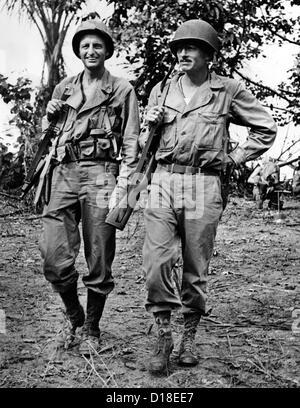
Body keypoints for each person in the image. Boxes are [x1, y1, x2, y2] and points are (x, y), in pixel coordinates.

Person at [141, 19, 277, 375]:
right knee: (156, 259)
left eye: (191, 48)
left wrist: (234, 158)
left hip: (203, 183)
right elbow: (145, 143)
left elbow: (266, 128)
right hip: (164, 179)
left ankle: (189, 333)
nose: (183, 54)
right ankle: (163, 333)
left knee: (194, 264)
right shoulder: (161, 89)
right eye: (179, 48)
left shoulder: (228, 90)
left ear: (208, 54)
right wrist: (150, 125)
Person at [39, 15, 140, 355]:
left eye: (98, 45)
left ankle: (91, 328)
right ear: (78, 51)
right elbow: (48, 137)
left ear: (107, 50)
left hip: (102, 175)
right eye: (85, 46)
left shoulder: (122, 89)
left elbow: (131, 145)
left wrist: (124, 189)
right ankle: (74, 314)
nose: (91, 50)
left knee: (99, 256)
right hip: (63, 172)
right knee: (53, 258)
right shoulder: (64, 88)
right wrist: (49, 116)